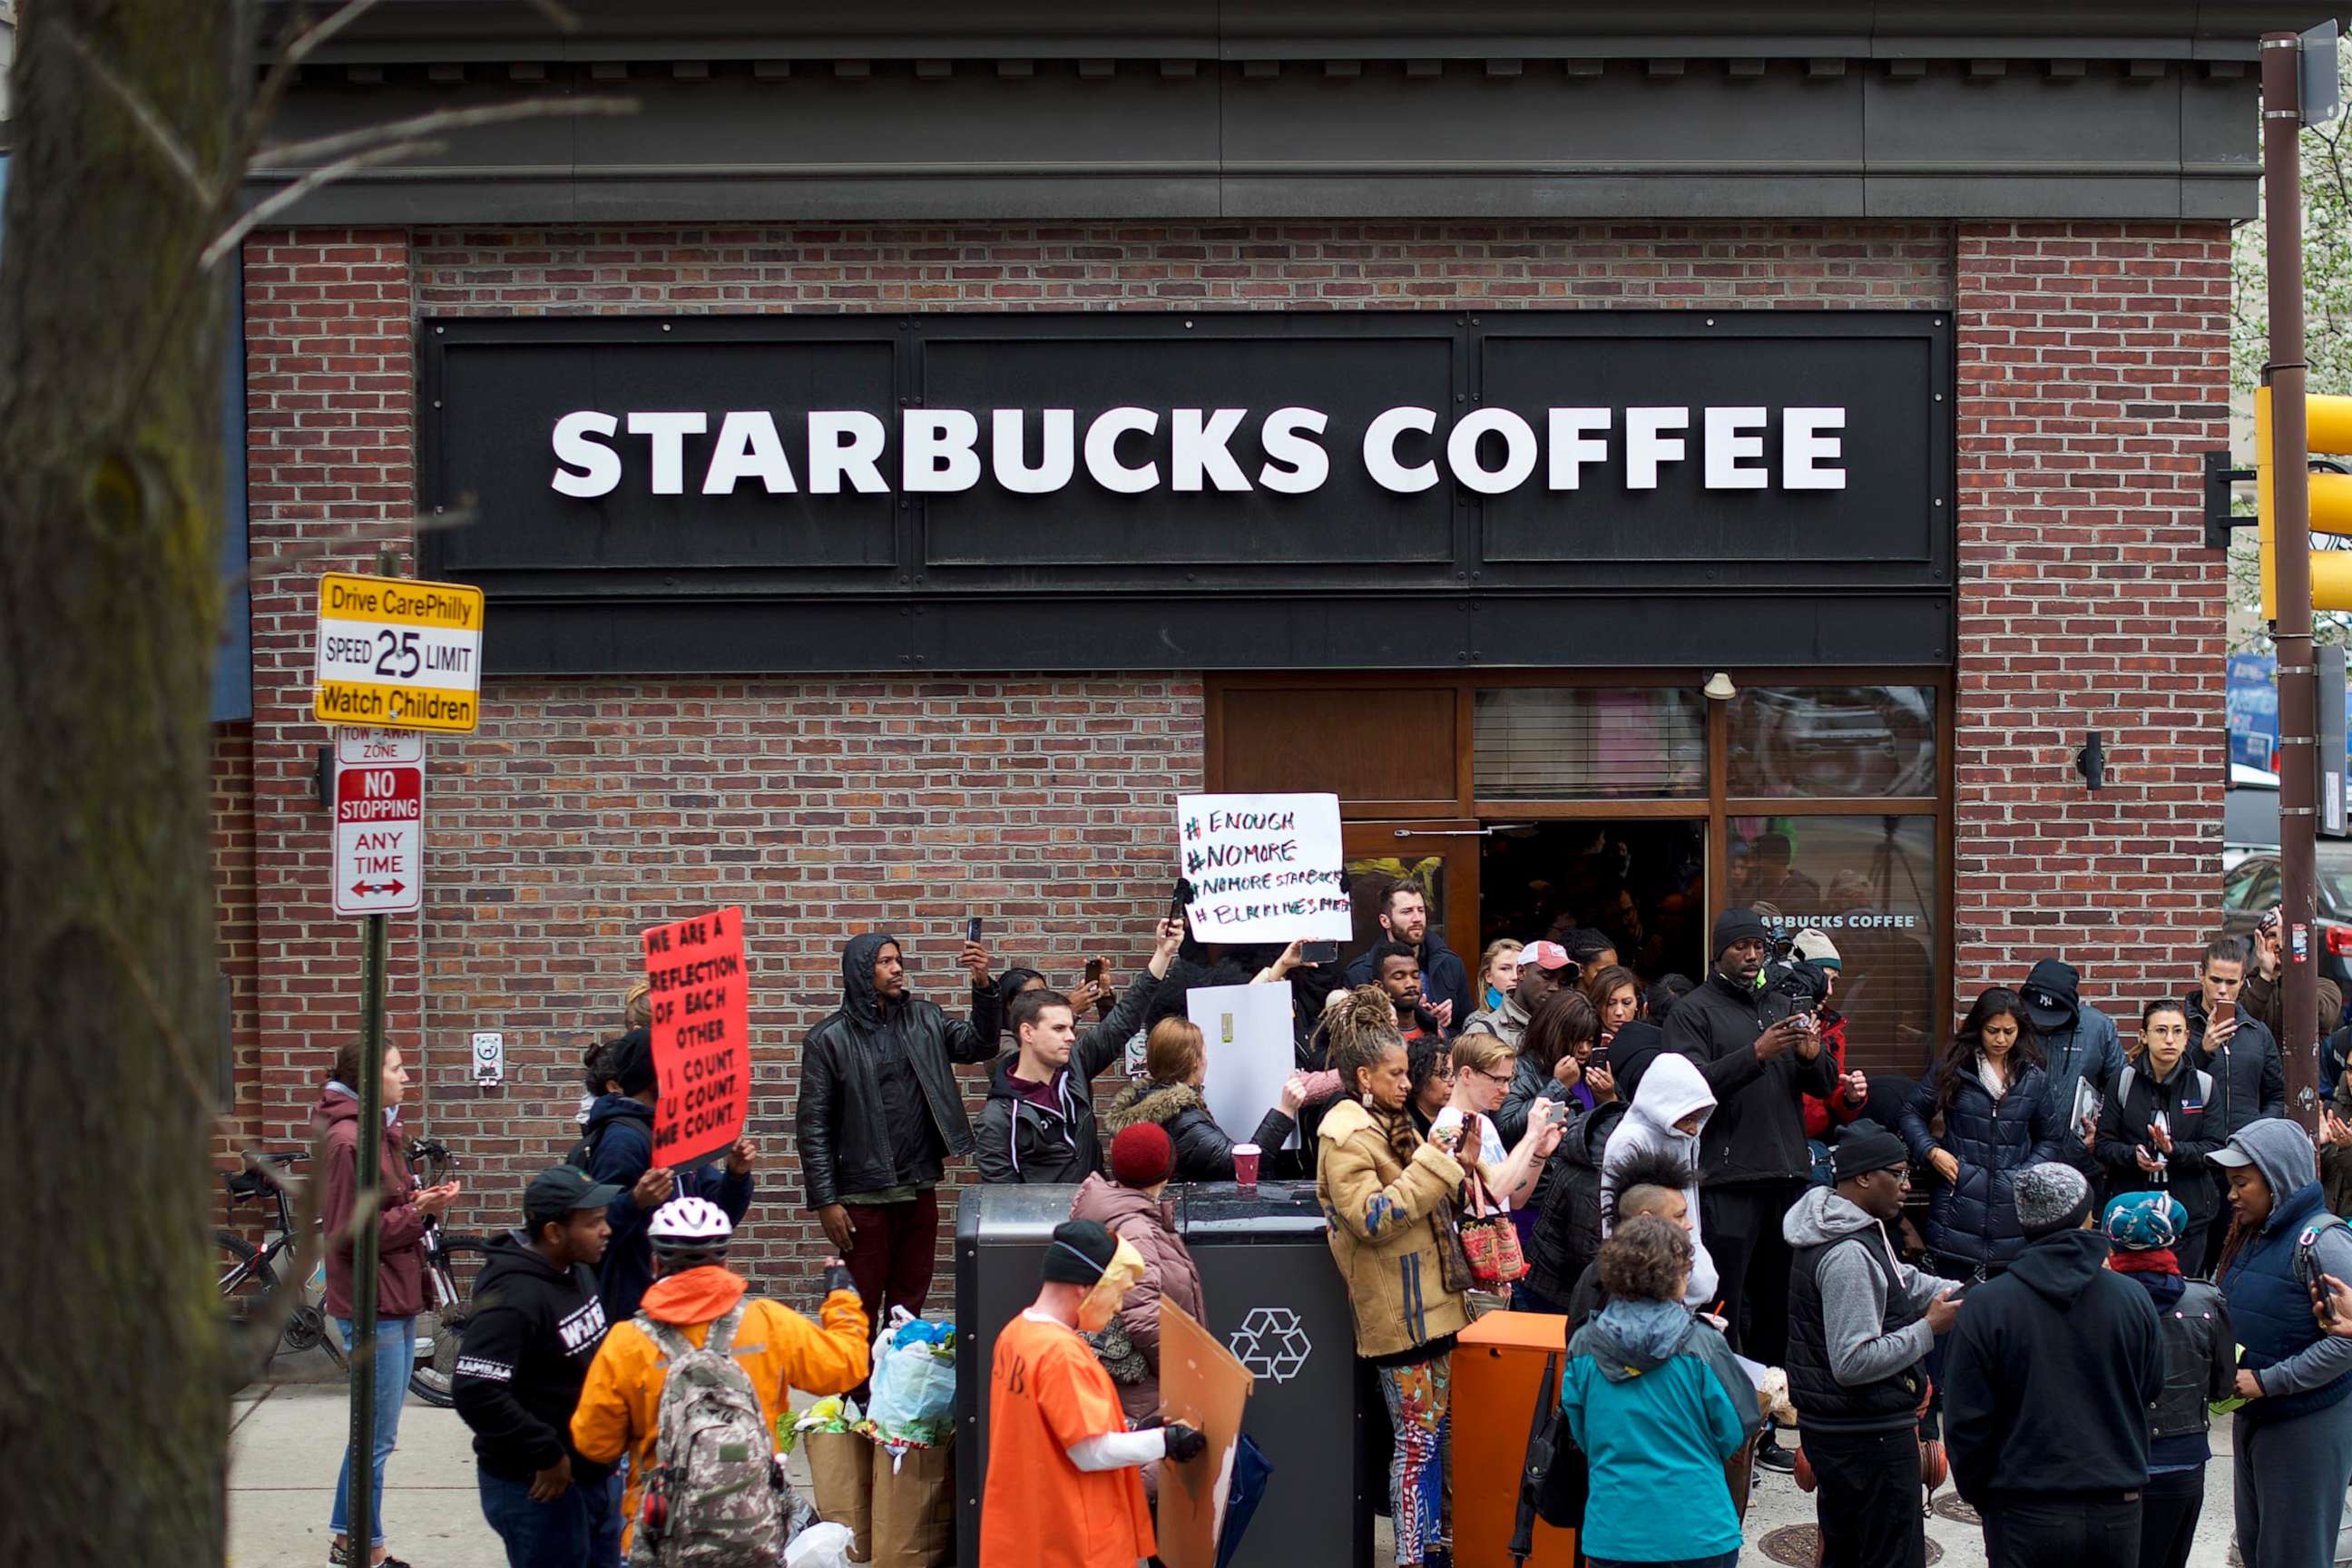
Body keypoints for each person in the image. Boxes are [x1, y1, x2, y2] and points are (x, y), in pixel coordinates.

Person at [570, 1199, 869, 1557]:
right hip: (753, 1523)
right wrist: (842, 1300)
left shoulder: (627, 1343)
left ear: (655, 1263)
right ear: (725, 1261)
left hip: (662, 1531)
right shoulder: (768, 1321)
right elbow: (845, 1367)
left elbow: (594, 1445)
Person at [1662, 905, 1833, 1467]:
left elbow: (1821, 1084)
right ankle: (1731, 1431)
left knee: (1779, 1307)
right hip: (1728, 1179)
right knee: (1728, 1307)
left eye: (1759, 946)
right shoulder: (1693, 1012)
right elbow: (1688, 1087)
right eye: (1740, 947)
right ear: (1719, 952)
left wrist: (1813, 1060)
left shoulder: (1782, 1003)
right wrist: (1755, 1055)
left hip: (1786, 1175)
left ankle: (1767, 1427)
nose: (1752, 955)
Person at [1316, 985, 1471, 1568]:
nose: (1408, 1084)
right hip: (1397, 1315)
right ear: (1363, 1076)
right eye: (1396, 1074)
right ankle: (1413, 1558)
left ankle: (1431, 1547)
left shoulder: (1389, 1122)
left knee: (1430, 1437)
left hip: (1429, 1306)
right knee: (1414, 1443)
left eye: (1408, 1073)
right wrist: (1435, 1162)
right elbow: (1371, 1218)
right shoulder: (1347, 1135)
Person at [1943, 1163, 2165, 1568]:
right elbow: (2149, 1387)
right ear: (2083, 1217)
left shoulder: (1987, 1305)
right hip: (2116, 1506)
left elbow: (1965, 1422)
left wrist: (1984, 1497)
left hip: (2024, 1509)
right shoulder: (2133, 1299)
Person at [794, 928, 1003, 1327]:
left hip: (919, 1188)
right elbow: (813, 1127)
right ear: (861, 971)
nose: (896, 970)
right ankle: (857, 1391)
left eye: (898, 961)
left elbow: (980, 1045)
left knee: (909, 1305)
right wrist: (826, 1201)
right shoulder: (828, 1039)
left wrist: (982, 985)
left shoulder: (924, 1018)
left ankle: (899, 1385)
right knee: (860, 1308)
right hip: (863, 1197)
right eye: (885, 962)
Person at [1781, 1122, 1965, 1568]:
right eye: (1898, 1174)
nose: (1906, 1186)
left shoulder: (1853, 1225)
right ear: (1863, 1177)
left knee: (1846, 1552)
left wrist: (1976, 1294)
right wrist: (1928, 1330)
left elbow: (1903, 1282)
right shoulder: (1846, 1253)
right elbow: (1853, 1361)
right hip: (1866, 1441)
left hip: (1848, 1435)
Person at [977, 1218, 1208, 1568]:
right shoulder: (1062, 1354)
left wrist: (1134, 1432)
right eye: (1116, 1292)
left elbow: (1051, 1430)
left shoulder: (1015, 1336)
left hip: (1030, 1531)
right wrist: (1166, 1442)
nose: (1117, 1307)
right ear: (1085, 1288)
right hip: (1073, 1541)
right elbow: (1088, 1452)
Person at [318, 1041, 461, 1568]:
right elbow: (348, 1232)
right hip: (370, 1302)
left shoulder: (378, 1133)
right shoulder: (348, 1142)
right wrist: (416, 1212)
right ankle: (363, 1549)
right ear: (370, 1078)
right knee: (374, 1438)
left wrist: (421, 1205)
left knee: (378, 1434)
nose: (407, 1077)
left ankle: (348, 1539)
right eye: (397, 1069)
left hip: (394, 1295)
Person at [1558, 1215, 1763, 1568]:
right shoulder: (1703, 1343)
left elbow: (1581, 1430)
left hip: (1615, 1530)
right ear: (1680, 1276)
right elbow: (1737, 1425)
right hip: (1698, 1528)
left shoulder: (1583, 1346)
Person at [453, 1167, 626, 1568]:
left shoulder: (576, 1269)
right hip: (539, 1486)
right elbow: (476, 1389)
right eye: (594, 1223)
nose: (606, 1231)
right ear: (553, 1232)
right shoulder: (513, 1297)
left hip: (594, 1475)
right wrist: (546, 1452)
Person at [2210, 1118, 2352, 1568]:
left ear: (2278, 1179)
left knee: (2294, 1555)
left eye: (2241, 1182)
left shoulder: (2323, 1244)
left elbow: (2347, 1344)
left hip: (2306, 1423)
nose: (2232, 1194)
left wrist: (2269, 1381)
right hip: (2255, 1418)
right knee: (2257, 1553)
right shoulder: (2253, 1233)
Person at [975, 919, 1185, 1184]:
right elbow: (1004, 1205)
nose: (1071, 1036)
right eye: (1059, 1028)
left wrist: (1163, 953)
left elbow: (1123, 1020)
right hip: (1047, 1225)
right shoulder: (998, 1117)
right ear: (1027, 1033)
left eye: (1071, 1027)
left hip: (1095, 1215)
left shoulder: (1073, 1067)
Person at [1067, 1124, 1205, 1502]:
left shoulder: (1114, 1209)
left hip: (1131, 1383)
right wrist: (1184, 1371)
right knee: (1143, 1496)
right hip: (1146, 1389)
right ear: (1166, 1172)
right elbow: (1141, 1313)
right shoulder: (1136, 1228)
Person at [578, 1030, 755, 1323]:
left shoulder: (675, 1134)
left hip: (686, 1302)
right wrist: (636, 1201)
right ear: (652, 1077)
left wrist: (736, 1176)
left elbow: (719, 1218)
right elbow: (594, 1230)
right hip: (640, 1310)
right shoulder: (623, 1139)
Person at [2095, 1191, 2231, 1568]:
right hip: (2182, 1462)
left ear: (2112, 1240)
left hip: (2109, 1463)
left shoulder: (2090, 1302)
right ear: (2176, 1238)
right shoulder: (2207, 1301)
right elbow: (2223, 1387)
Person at [1899, 987, 2061, 1279]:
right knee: (1952, 1304)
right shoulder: (1954, 1068)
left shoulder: (2032, 1078)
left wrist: (2025, 1173)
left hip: (2012, 1211)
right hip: (1955, 1204)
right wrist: (1931, 1152)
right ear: (1978, 1028)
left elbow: (2049, 1137)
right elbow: (1911, 1113)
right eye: (1992, 1030)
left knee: (2006, 1309)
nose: (2001, 1040)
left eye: (2009, 1031)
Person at [1432, 1029, 1565, 1311]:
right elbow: (1493, 1190)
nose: (1505, 1089)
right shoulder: (1447, 1130)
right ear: (1466, 1075)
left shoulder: (1485, 1124)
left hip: (1495, 1277)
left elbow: (1513, 1198)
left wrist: (1538, 1153)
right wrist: (1530, 1136)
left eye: (1509, 1080)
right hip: (1468, 1284)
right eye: (1498, 1080)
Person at [2093, 1001, 2222, 1272]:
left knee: (2183, 1294)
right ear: (2144, 1036)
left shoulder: (2203, 1084)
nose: (2169, 1039)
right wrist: (2133, 1156)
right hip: (2132, 1213)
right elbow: (2104, 1145)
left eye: (2177, 1031)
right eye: (2160, 1031)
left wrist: (2173, 1149)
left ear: (2188, 1038)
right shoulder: (2124, 1081)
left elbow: (2214, 1149)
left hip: (2189, 1215)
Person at [1099, 1016, 1308, 1182]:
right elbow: (1242, 1168)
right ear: (1194, 1062)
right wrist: (1285, 1111)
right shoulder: (1182, 1120)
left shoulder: (1145, 1101)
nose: (1207, 1059)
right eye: (1204, 1052)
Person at [1602, 1036, 1720, 1312]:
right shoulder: (1629, 1141)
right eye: (1688, 1117)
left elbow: (1689, 1214)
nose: (1694, 1128)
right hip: (1647, 1274)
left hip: (1683, 1265)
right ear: (1664, 1105)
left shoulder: (1686, 1136)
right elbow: (1613, 1219)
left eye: (1698, 1118)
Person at [1560, 1144, 1698, 1328]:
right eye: (1679, 1215)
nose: (1689, 1225)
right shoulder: (1632, 1285)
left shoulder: (1606, 1270)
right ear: (1646, 1219)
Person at [2018, 957, 2126, 1173]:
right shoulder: (2013, 1025)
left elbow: (2121, 1091)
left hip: (2082, 1163)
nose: (2043, 1023)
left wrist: (2103, 1134)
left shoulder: (2098, 1028)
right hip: (2022, 1162)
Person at [1344, 879, 1475, 1033]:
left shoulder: (1450, 963)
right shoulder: (1360, 973)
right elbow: (1357, 1038)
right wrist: (1421, 1020)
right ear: (1385, 921)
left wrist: (1440, 1029)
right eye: (1407, 912)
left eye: (1421, 910)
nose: (1417, 918)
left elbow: (1466, 1030)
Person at [1790, 932, 1867, 1169]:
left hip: (1816, 1143)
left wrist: (1849, 1097)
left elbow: (1832, 1093)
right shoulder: (1772, 1019)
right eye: (1824, 979)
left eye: (1834, 981)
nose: (1830, 990)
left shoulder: (1832, 1029)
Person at [1496, 988, 1598, 1142]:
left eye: (1590, 1041)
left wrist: (1609, 1098)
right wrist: (1558, 1087)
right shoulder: (1522, 1070)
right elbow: (1506, 1130)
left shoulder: (1592, 1073)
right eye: (1577, 1040)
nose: (1584, 1049)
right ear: (1554, 1035)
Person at [2244, 905, 2346, 1043]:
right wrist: (2266, 976)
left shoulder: (2326, 988)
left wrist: (2292, 963)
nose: (2279, 944)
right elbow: (2245, 1025)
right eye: (2271, 936)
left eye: (2288, 936)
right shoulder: (2246, 985)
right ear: (2259, 942)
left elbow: (2315, 1014)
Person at [1368, 940, 1449, 1044]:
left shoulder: (1437, 1031)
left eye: (1415, 976)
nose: (1411, 983)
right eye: (1399, 977)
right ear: (1379, 986)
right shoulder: (1370, 1038)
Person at [1459, 938, 1525, 1047]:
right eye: (1505, 969)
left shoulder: (1535, 1016)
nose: (1515, 976)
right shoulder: (1478, 1021)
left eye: (1520, 970)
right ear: (1488, 976)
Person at [1405, 1034, 1455, 1140]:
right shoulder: (1404, 1125)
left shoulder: (1455, 1116)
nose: (1452, 1082)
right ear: (1420, 1077)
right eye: (1443, 1074)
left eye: (1454, 1074)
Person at [1514, 938, 1578, 1016]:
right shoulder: (1496, 1026)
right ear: (1521, 972)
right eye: (1546, 977)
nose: (1555, 988)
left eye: (1562, 982)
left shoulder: (1564, 1024)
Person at [1584, 964, 1642, 1048]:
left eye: (1626, 1002)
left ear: (1637, 1002)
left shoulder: (1649, 1040)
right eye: (1610, 1003)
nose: (1619, 1012)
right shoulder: (1584, 1043)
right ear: (1597, 1004)